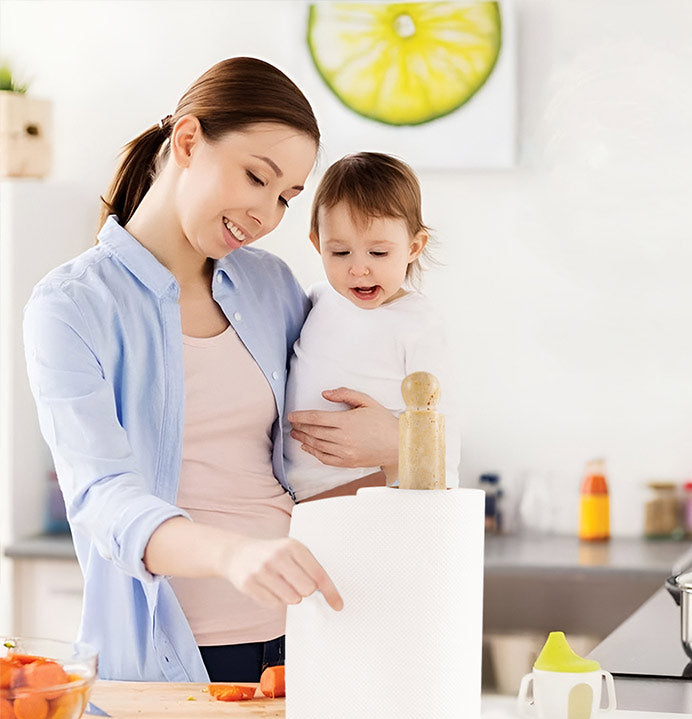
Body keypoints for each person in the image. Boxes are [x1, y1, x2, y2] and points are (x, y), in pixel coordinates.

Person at [22, 58, 398, 683]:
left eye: (285, 198)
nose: (266, 216)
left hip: (302, 634)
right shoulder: (72, 306)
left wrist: (398, 450)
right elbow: (101, 498)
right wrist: (234, 554)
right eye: (257, 178)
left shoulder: (271, 287)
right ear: (190, 141)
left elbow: (296, 475)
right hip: (172, 654)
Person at [284, 152, 460, 501]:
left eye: (377, 253)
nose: (358, 269)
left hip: (373, 493)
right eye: (340, 253)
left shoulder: (419, 325)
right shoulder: (316, 301)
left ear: (413, 247)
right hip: (292, 495)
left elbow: (445, 448)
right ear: (318, 244)